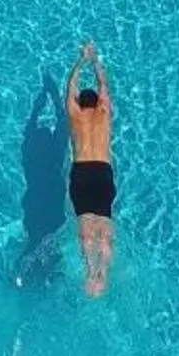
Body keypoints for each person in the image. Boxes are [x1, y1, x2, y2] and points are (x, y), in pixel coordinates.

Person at [64, 41, 116, 298]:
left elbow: (70, 87)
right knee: (104, 224)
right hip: (103, 172)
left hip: (82, 173)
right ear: (97, 103)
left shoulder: (75, 115)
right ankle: (103, 273)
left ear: (80, 103)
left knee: (86, 226)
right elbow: (103, 85)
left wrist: (80, 61)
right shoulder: (103, 113)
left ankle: (89, 273)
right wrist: (94, 60)